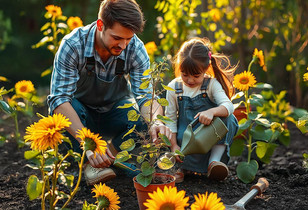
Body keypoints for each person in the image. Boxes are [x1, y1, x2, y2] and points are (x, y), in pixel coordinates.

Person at [47, 0, 172, 185]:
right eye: (116, 38)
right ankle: (89, 160)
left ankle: (109, 158)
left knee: (143, 118)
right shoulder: (73, 45)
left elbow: (146, 95)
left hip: (114, 113)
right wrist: (89, 142)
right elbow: (59, 100)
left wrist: (156, 122)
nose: (123, 45)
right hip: (81, 118)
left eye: (128, 39)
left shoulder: (135, 49)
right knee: (63, 111)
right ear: (100, 25)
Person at [165, 37, 239, 182]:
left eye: (196, 75)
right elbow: (170, 119)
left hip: (208, 140)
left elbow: (228, 106)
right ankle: (180, 167)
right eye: (185, 74)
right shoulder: (174, 87)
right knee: (164, 134)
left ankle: (213, 162)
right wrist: (174, 145)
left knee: (230, 119)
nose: (190, 80)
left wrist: (211, 112)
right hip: (185, 142)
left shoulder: (211, 84)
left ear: (206, 69)